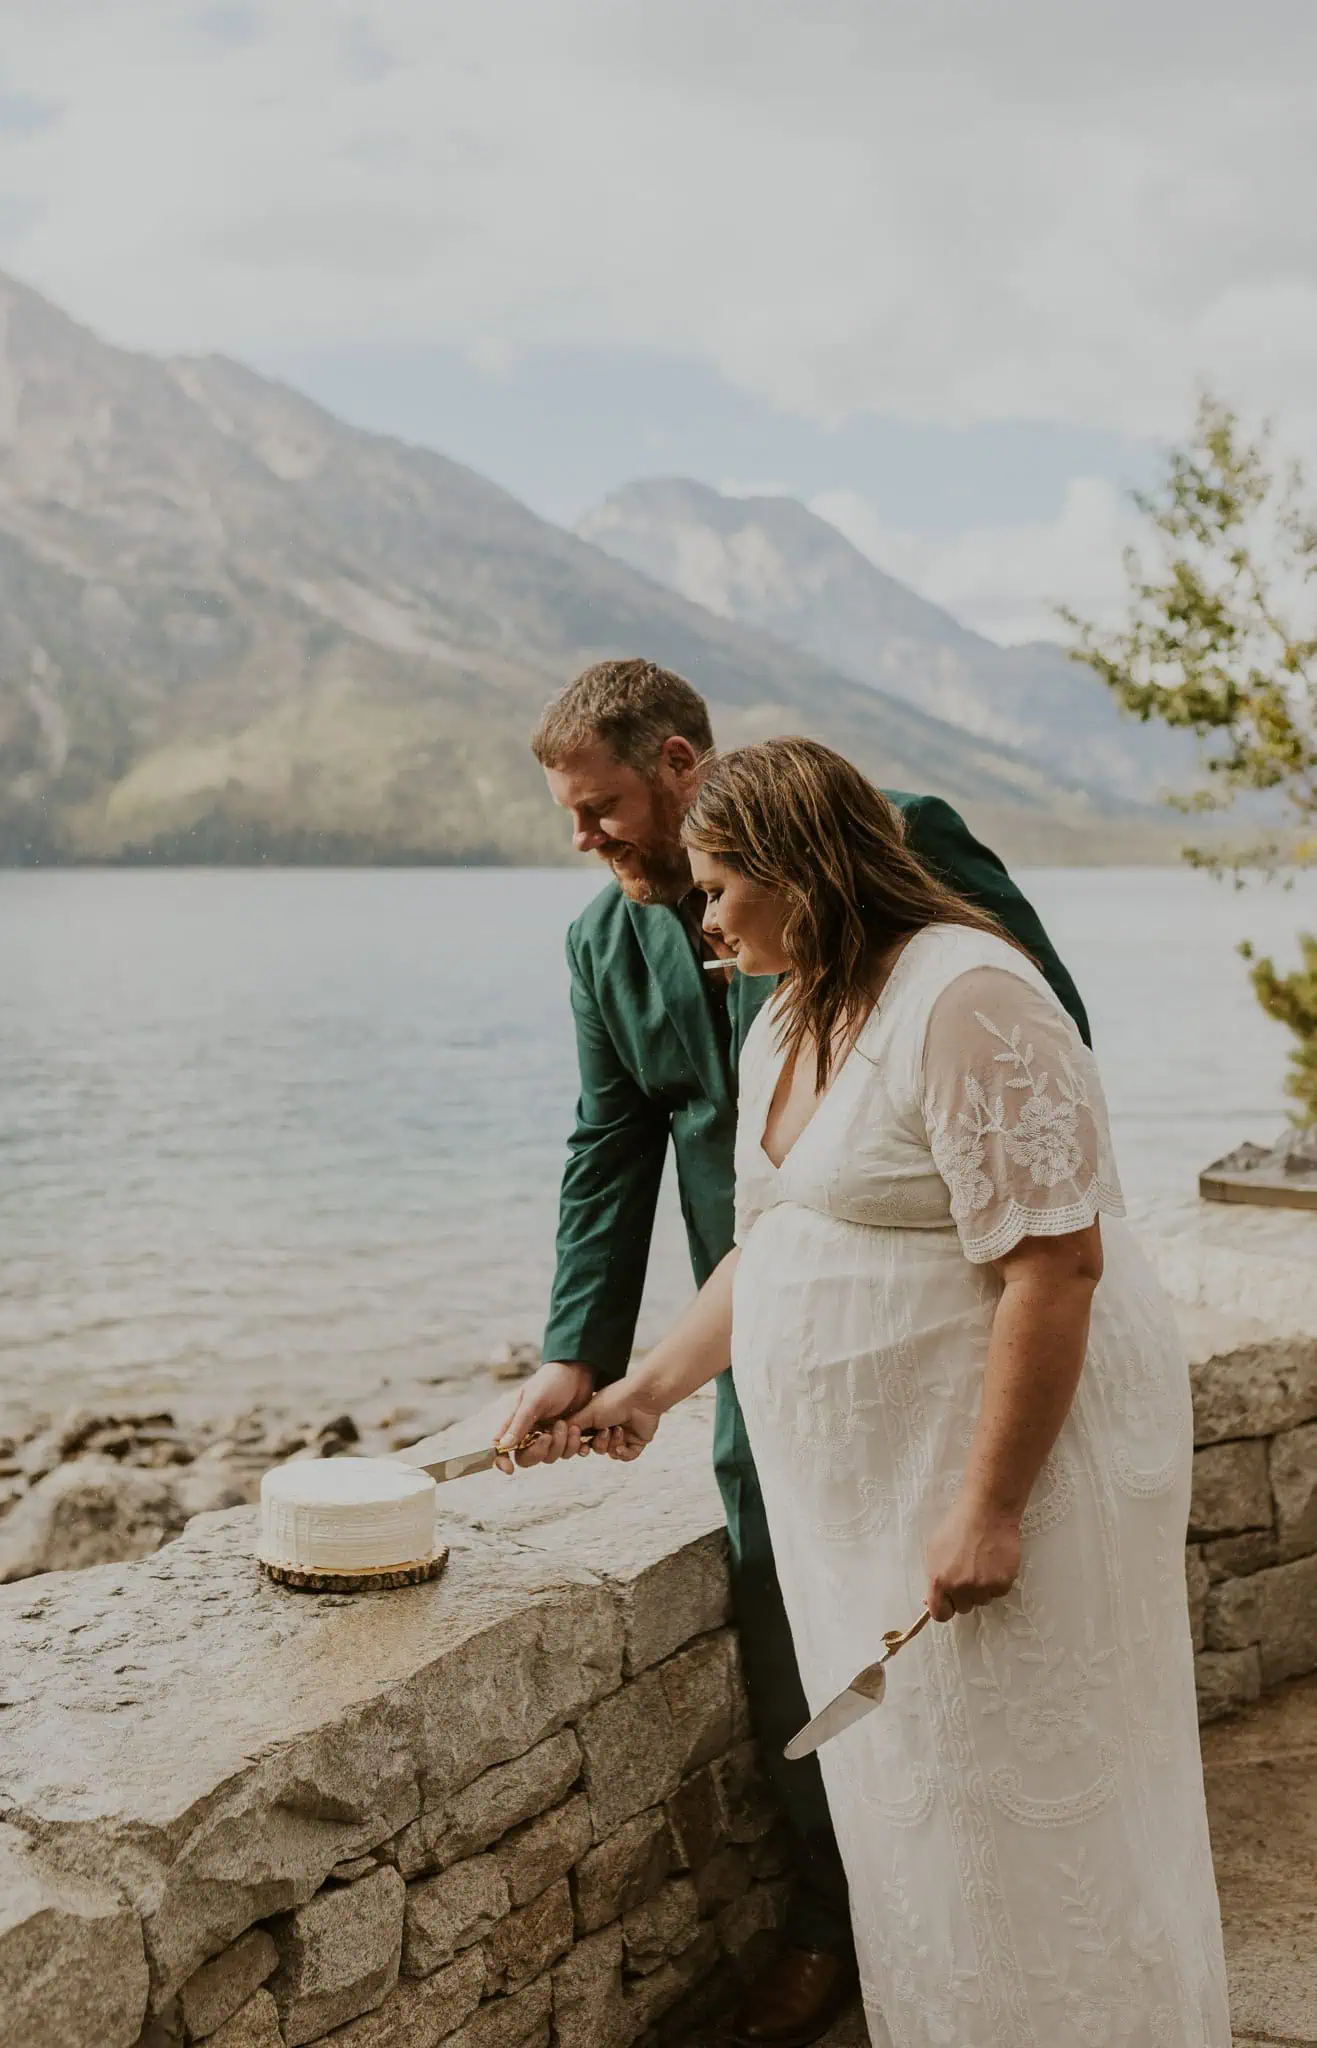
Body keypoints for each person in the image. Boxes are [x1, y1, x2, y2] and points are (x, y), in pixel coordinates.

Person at [568, 737, 1230, 2048]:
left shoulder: (971, 996)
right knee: (918, 1814)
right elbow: (779, 1245)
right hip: (864, 1521)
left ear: (797, 872)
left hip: (1009, 1484)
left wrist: (990, 1507)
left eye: (716, 889)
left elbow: (1057, 1263)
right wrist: (648, 1384)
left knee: (1038, 1808)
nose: (702, 919)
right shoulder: (786, 1008)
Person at [496, 658, 1090, 2048]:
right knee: (787, 1620)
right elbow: (611, 1144)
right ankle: (845, 1924)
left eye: (602, 809)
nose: (583, 841)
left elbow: (1037, 1058)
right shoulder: (601, 945)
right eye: (571, 816)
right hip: (754, 1349)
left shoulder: (902, 840)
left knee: (994, 1615)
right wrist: (578, 1353)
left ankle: (1014, 1905)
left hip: (955, 1323)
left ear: (684, 763)